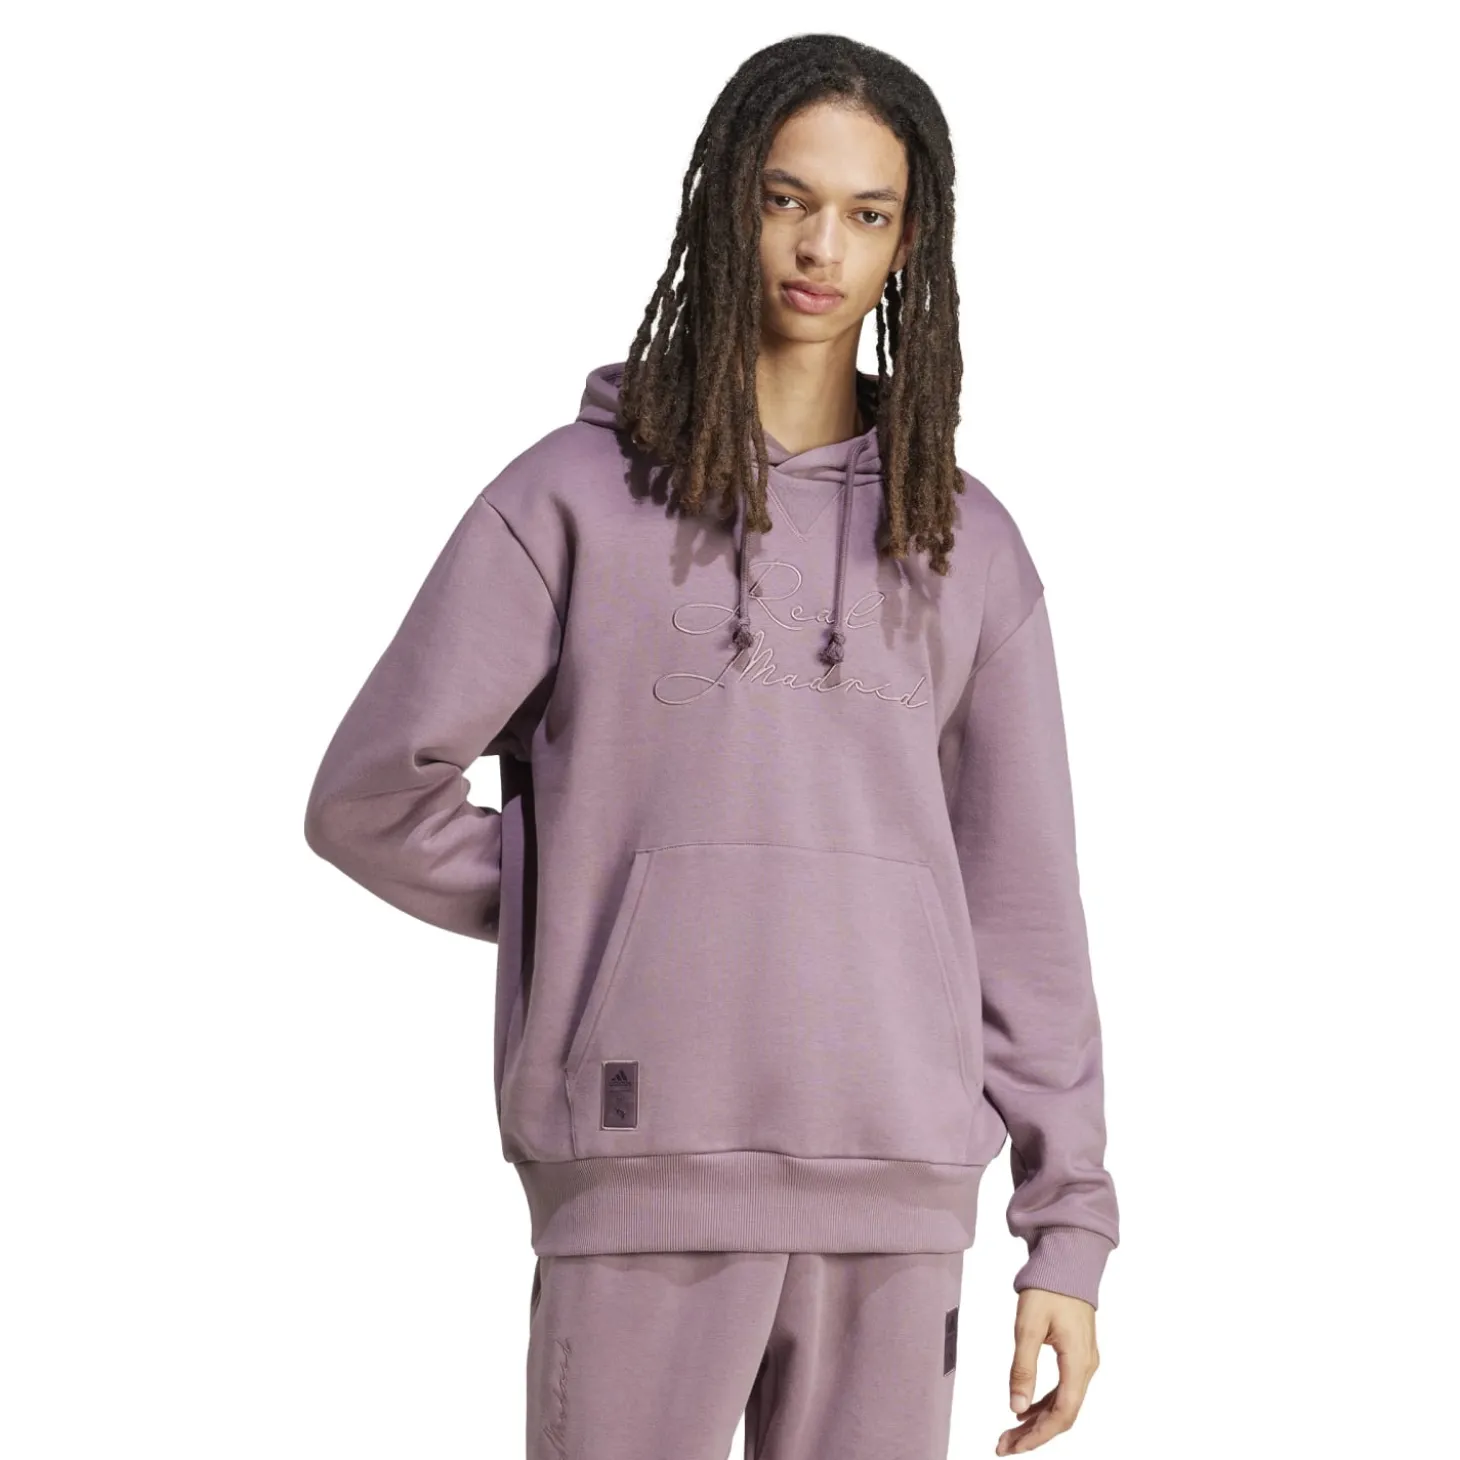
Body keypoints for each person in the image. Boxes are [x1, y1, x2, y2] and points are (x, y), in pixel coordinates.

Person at [303, 31, 1119, 1460]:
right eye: (787, 198)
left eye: (867, 214)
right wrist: (586, 900)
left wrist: (1069, 1233)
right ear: (726, 201)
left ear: (910, 246)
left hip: (898, 1190)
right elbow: (372, 796)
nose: (821, 247)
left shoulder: (965, 543)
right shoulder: (568, 499)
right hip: (639, 1176)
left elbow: (1023, 906)